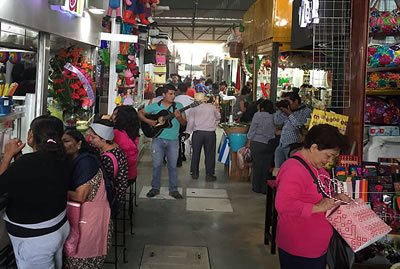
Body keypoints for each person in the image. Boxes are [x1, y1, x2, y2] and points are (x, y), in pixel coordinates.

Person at [275, 124, 350, 269]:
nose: (329, 161)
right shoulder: (293, 169)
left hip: (316, 248)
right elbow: (283, 204)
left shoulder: (319, 170)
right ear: (314, 147)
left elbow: (319, 195)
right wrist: (317, 207)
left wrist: (336, 197)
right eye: (328, 155)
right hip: (299, 249)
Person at [0, 115, 70, 269]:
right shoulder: (62, 157)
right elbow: (37, 171)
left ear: (31, 135)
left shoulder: (27, 163)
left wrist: (7, 156)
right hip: (58, 227)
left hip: (36, 240)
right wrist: (18, 158)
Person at [62, 130, 112, 269]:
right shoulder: (73, 161)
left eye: (66, 141)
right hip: (81, 219)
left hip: (90, 220)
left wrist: (56, 190)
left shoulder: (86, 163)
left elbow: (80, 196)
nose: (62, 145)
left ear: (79, 144)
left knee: (80, 259)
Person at [138, 86, 186, 199]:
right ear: (163, 95)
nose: (173, 96)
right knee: (157, 165)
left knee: (172, 166)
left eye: (174, 94)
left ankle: (173, 190)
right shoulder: (155, 106)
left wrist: (179, 118)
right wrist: (148, 120)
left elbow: (184, 123)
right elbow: (140, 113)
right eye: (170, 94)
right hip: (157, 139)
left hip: (173, 140)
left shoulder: (178, 106)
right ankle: (155, 188)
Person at [88, 119, 129, 214]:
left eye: (93, 138)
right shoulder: (114, 147)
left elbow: (102, 184)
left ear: (103, 139)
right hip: (117, 196)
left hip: (111, 201)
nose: (90, 140)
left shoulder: (107, 159)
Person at [186, 93, 221, 181]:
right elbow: (218, 117)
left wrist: (187, 132)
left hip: (197, 134)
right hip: (210, 134)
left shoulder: (193, 109)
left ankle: (194, 172)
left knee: (196, 153)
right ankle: (209, 174)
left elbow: (190, 122)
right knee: (209, 154)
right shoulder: (212, 107)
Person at [274, 92, 312, 168]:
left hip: (293, 146)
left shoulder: (305, 111)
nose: (287, 104)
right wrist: (281, 110)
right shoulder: (287, 110)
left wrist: (289, 113)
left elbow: (299, 125)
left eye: (288, 102)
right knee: (278, 171)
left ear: (296, 101)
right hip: (281, 144)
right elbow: (277, 121)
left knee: (291, 168)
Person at [245, 100, 276, 193]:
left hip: (257, 143)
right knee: (266, 167)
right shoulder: (274, 116)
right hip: (270, 144)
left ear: (262, 107)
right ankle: (264, 188)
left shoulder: (258, 115)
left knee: (257, 166)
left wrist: (248, 142)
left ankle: (256, 187)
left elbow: (252, 130)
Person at [112, 106, 140, 182]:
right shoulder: (133, 133)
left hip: (120, 176)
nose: (112, 116)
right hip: (132, 174)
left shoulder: (116, 133)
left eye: (115, 114)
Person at [175, 83, 194, 167]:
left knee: (177, 140)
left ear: (178, 90)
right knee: (185, 139)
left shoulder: (174, 99)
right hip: (189, 123)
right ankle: (185, 155)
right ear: (187, 90)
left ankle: (178, 160)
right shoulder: (192, 100)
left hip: (177, 122)